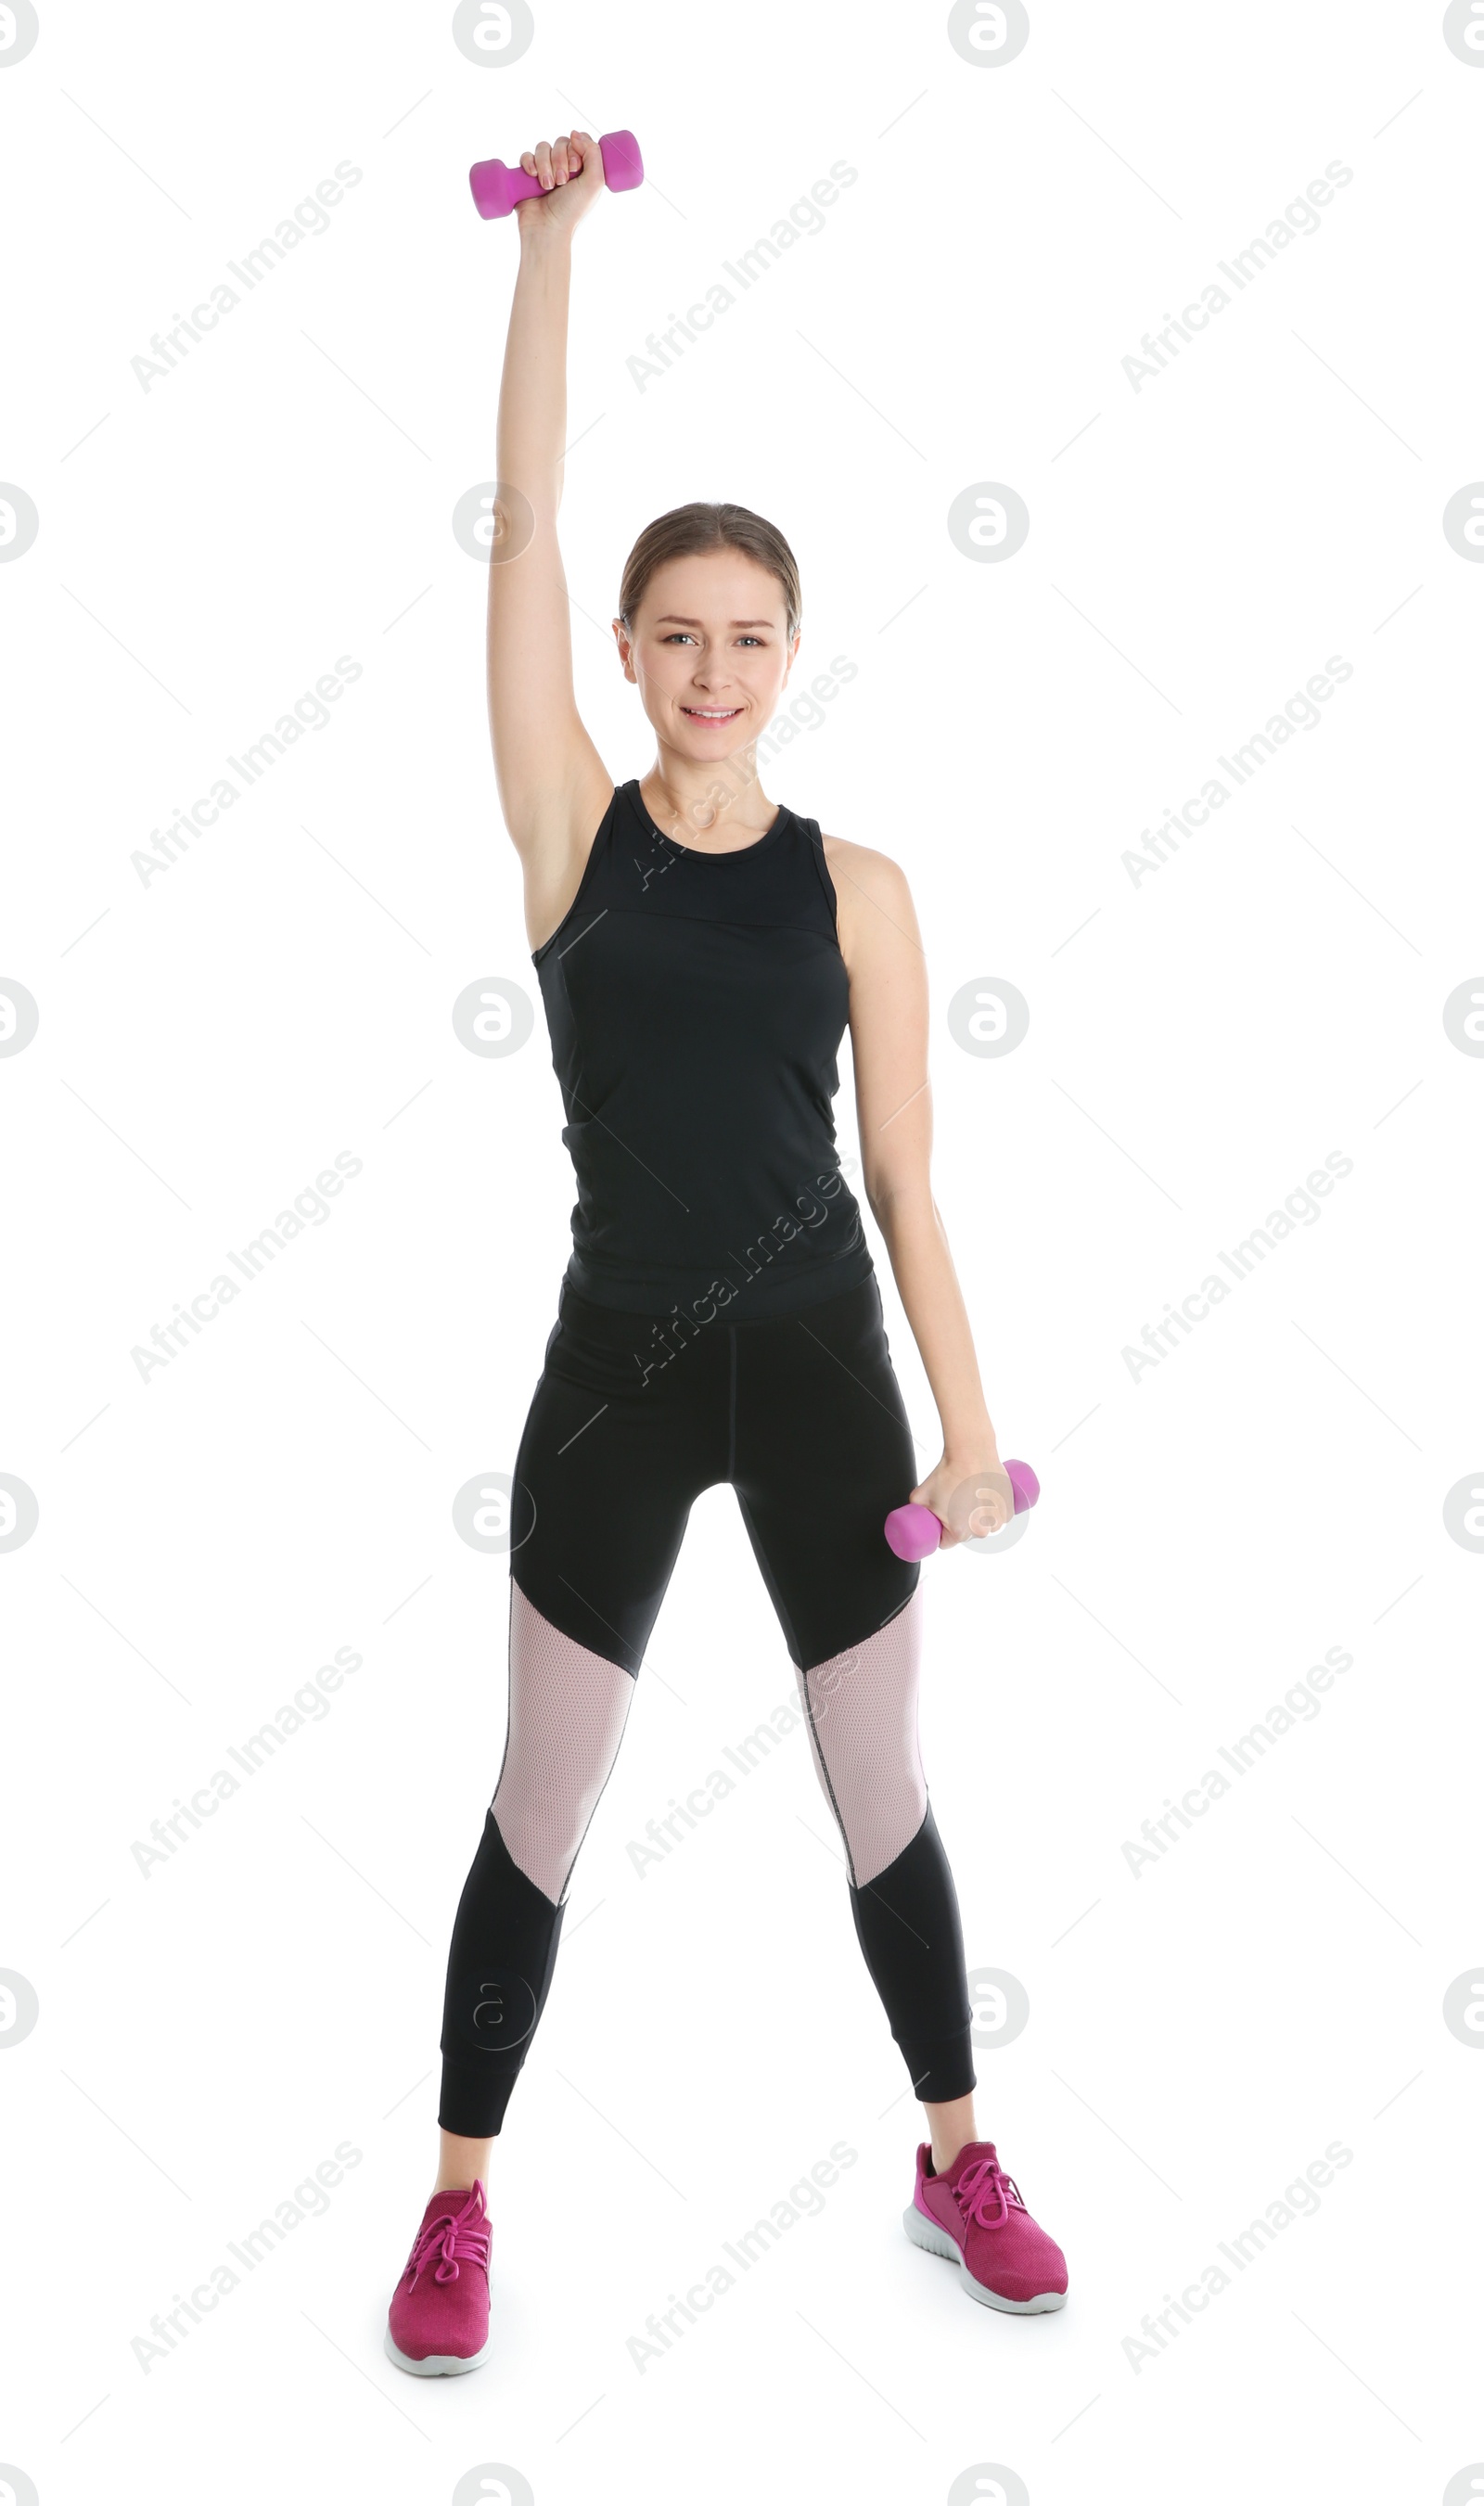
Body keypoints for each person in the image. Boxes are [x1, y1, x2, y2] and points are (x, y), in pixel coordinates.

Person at [384, 130, 1068, 2375]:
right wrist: (549, 254)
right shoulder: (567, 837)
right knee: (539, 1803)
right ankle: (458, 2198)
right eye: (670, 636)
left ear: (786, 657)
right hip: (613, 1377)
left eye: (743, 639)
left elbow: (907, 1185)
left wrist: (969, 1432)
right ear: (623, 653)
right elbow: (518, 517)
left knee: (878, 1791)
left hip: (819, 1376)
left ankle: (951, 2152)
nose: (706, 666)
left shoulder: (856, 883)